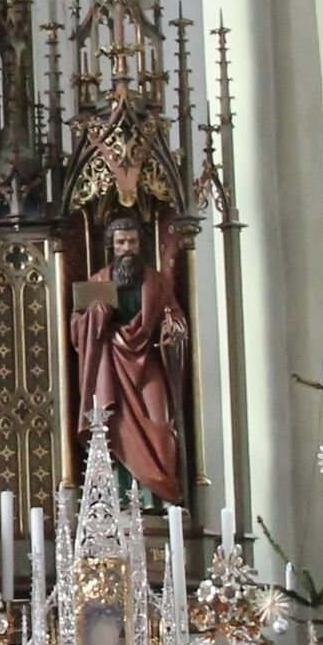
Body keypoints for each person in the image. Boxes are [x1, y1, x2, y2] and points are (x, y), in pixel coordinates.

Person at [69, 210, 188, 507]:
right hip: (112, 365)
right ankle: (121, 499)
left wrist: (171, 328)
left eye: (132, 242)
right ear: (112, 246)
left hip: (148, 361)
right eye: (121, 243)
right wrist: (97, 313)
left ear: (140, 244)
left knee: (161, 425)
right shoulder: (98, 281)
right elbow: (76, 328)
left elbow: (175, 315)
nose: (127, 249)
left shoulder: (157, 282)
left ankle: (159, 495)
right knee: (114, 426)